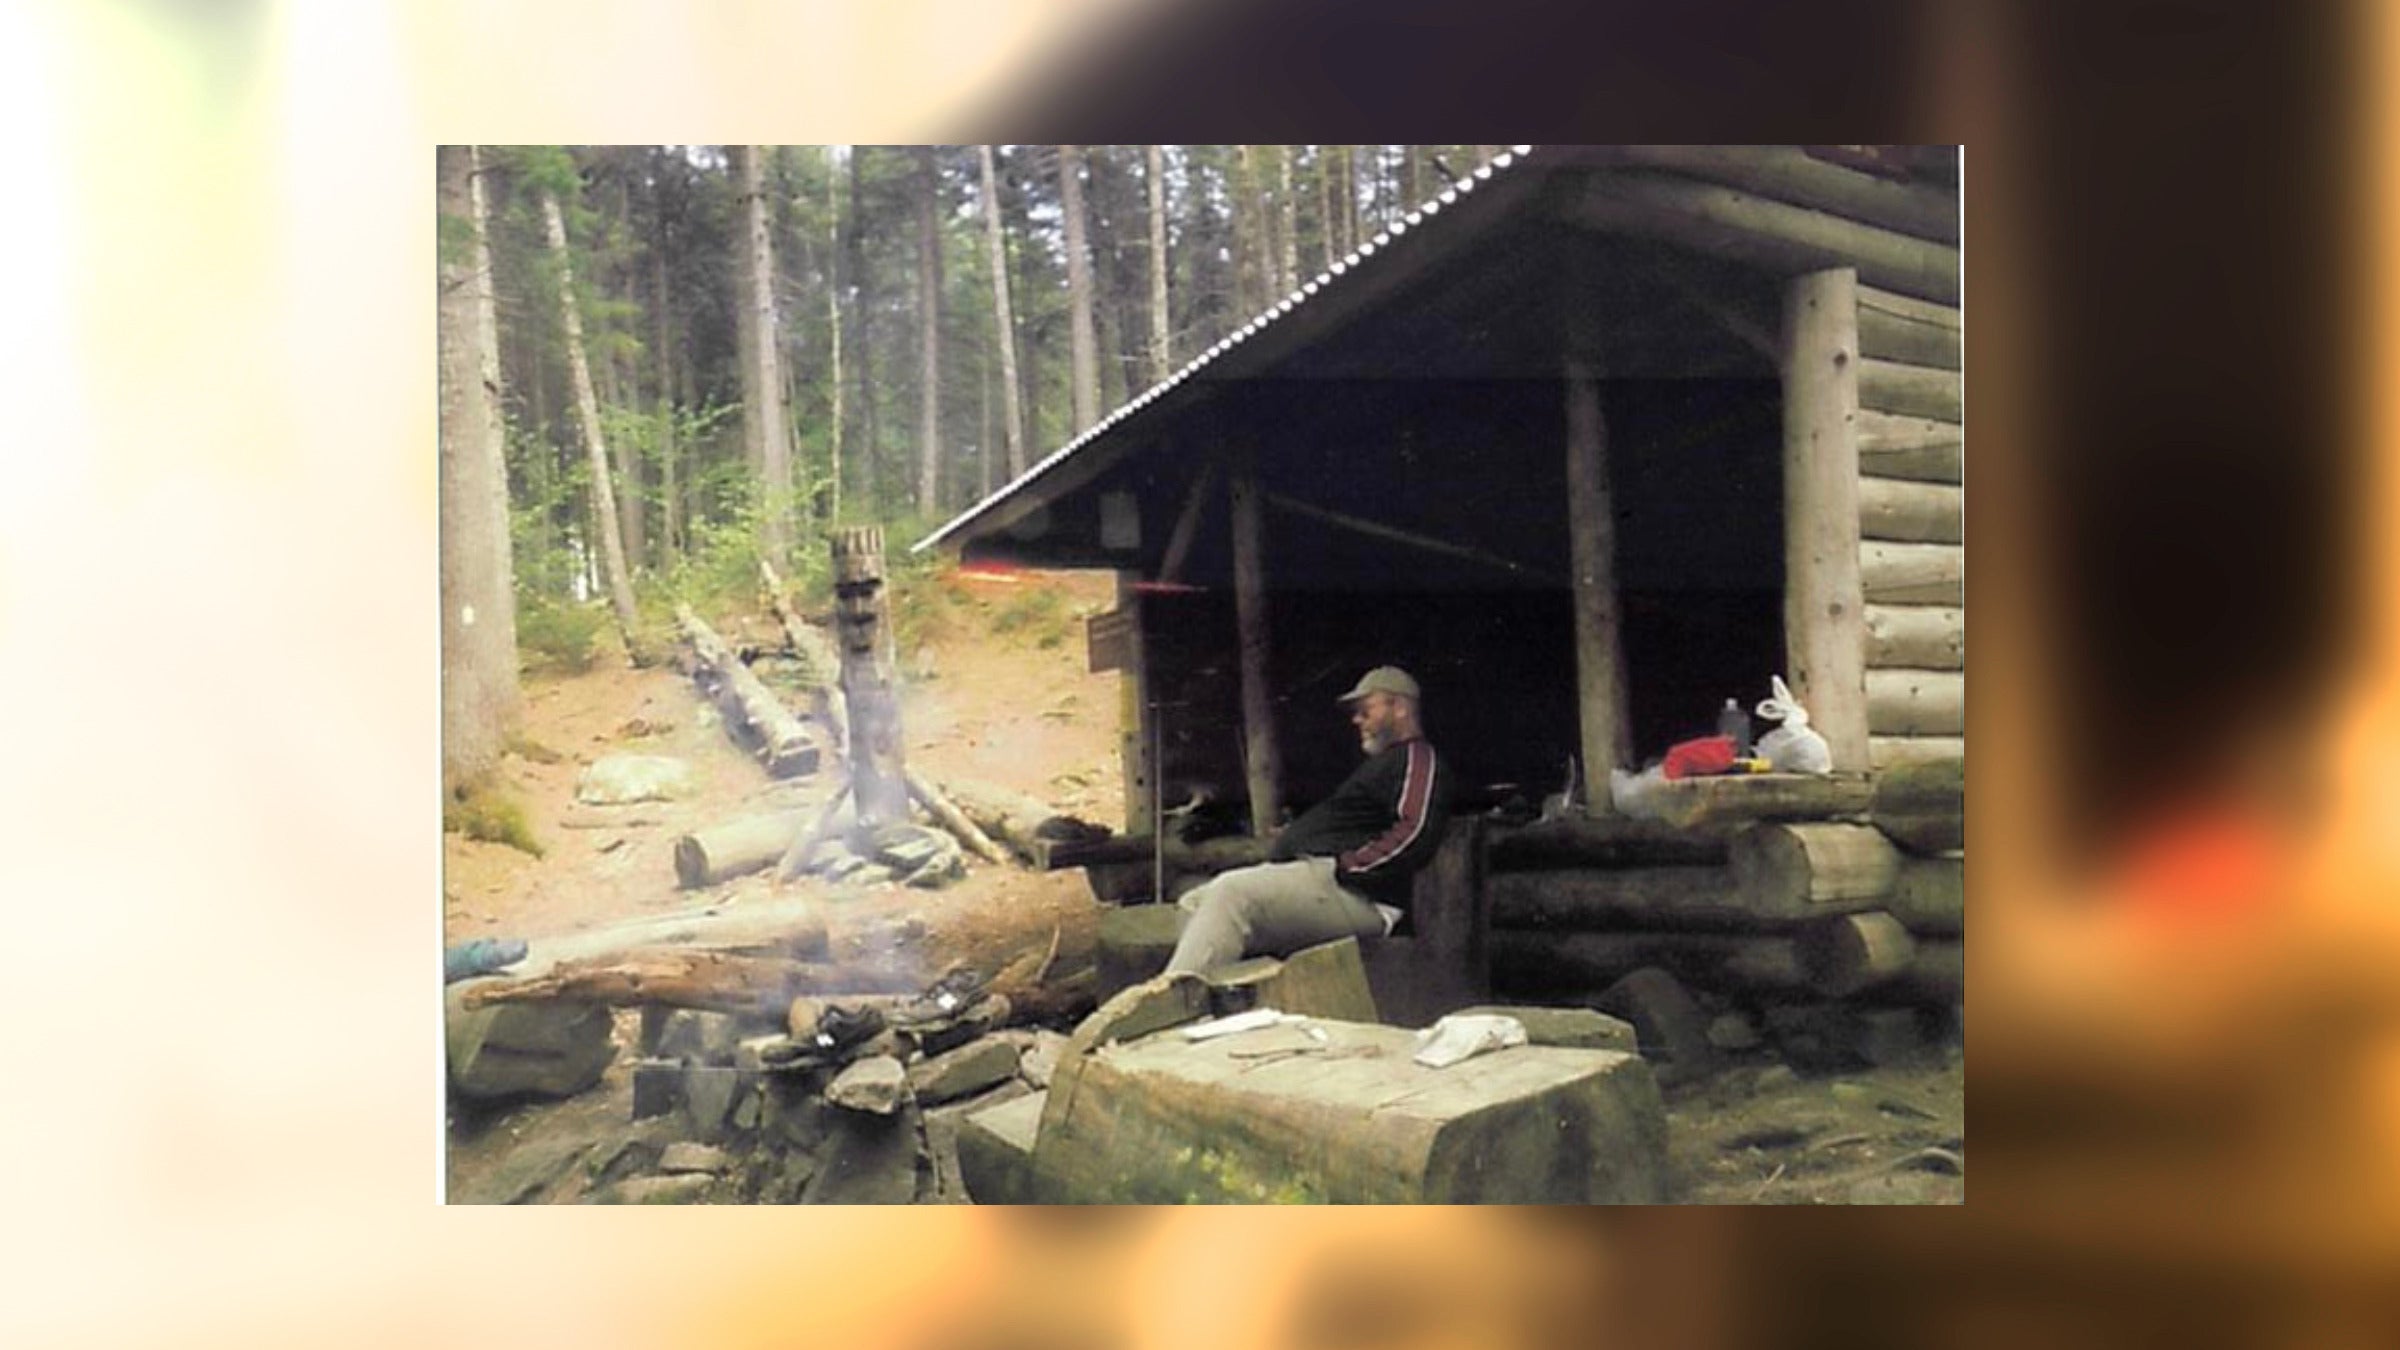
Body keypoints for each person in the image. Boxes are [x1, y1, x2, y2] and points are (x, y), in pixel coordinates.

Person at [1163, 665, 1453, 974]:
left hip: (1360, 897)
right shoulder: (1382, 765)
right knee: (1193, 901)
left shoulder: (1418, 759)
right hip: (1322, 883)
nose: (1357, 720)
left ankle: (1172, 1003)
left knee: (1231, 893)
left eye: (1365, 710)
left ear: (1400, 708)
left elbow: (1415, 831)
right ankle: (1226, 1004)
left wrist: (1345, 866)